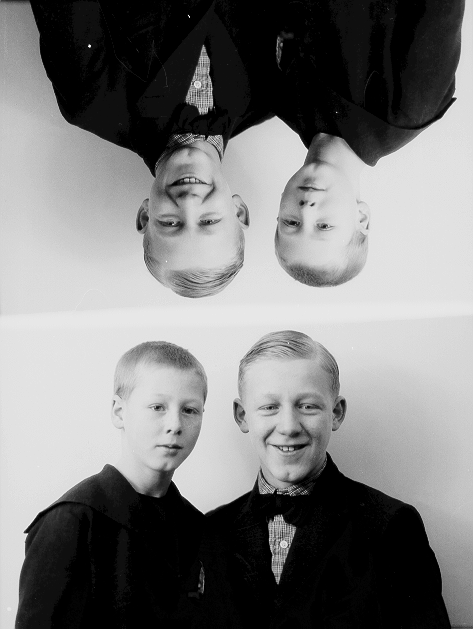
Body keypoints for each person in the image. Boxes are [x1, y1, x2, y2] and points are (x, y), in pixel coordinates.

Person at [29, 1, 277, 297]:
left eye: (170, 223)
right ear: (239, 211)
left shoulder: (92, 101)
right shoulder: (269, 94)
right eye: (209, 221)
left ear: (145, 216)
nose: (189, 202)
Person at [207, 330, 451, 628]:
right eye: (269, 407)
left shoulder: (390, 525)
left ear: (336, 413)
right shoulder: (210, 531)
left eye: (307, 406)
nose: (288, 426)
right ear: (242, 416)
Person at [16, 341, 214, 628]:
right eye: (157, 407)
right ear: (119, 412)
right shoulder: (71, 521)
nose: (175, 424)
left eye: (190, 410)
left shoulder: (197, 527)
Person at [274, 0, 465, 287]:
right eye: (324, 226)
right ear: (362, 217)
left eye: (291, 222)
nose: (306, 208)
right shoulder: (409, 110)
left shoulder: (280, 100)